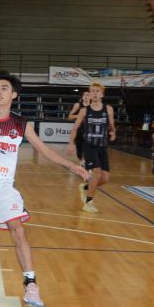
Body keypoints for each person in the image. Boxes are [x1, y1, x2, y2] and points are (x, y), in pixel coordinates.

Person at [0, 71, 89, 307]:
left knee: (18, 230)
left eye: (3, 88)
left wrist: (72, 165)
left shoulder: (21, 123)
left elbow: (44, 150)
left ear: (14, 94)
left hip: (2, 185)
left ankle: (30, 283)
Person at [68, 82, 115, 213]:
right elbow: (75, 128)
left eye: (96, 91)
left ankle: (85, 188)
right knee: (97, 172)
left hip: (102, 146)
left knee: (105, 178)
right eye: (92, 91)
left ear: (102, 94)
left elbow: (111, 125)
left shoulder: (109, 109)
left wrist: (113, 132)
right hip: (89, 146)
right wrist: (71, 143)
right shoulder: (84, 111)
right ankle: (88, 202)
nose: (94, 93)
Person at [67, 90, 91, 165]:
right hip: (79, 130)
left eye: (88, 95)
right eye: (85, 95)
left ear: (90, 97)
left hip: (89, 130)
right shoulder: (77, 105)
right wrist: (79, 116)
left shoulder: (93, 106)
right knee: (79, 152)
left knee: (87, 149)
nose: (86, 96)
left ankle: (86, 163)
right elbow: (69, 117)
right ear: (82, 97)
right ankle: (82, 161)